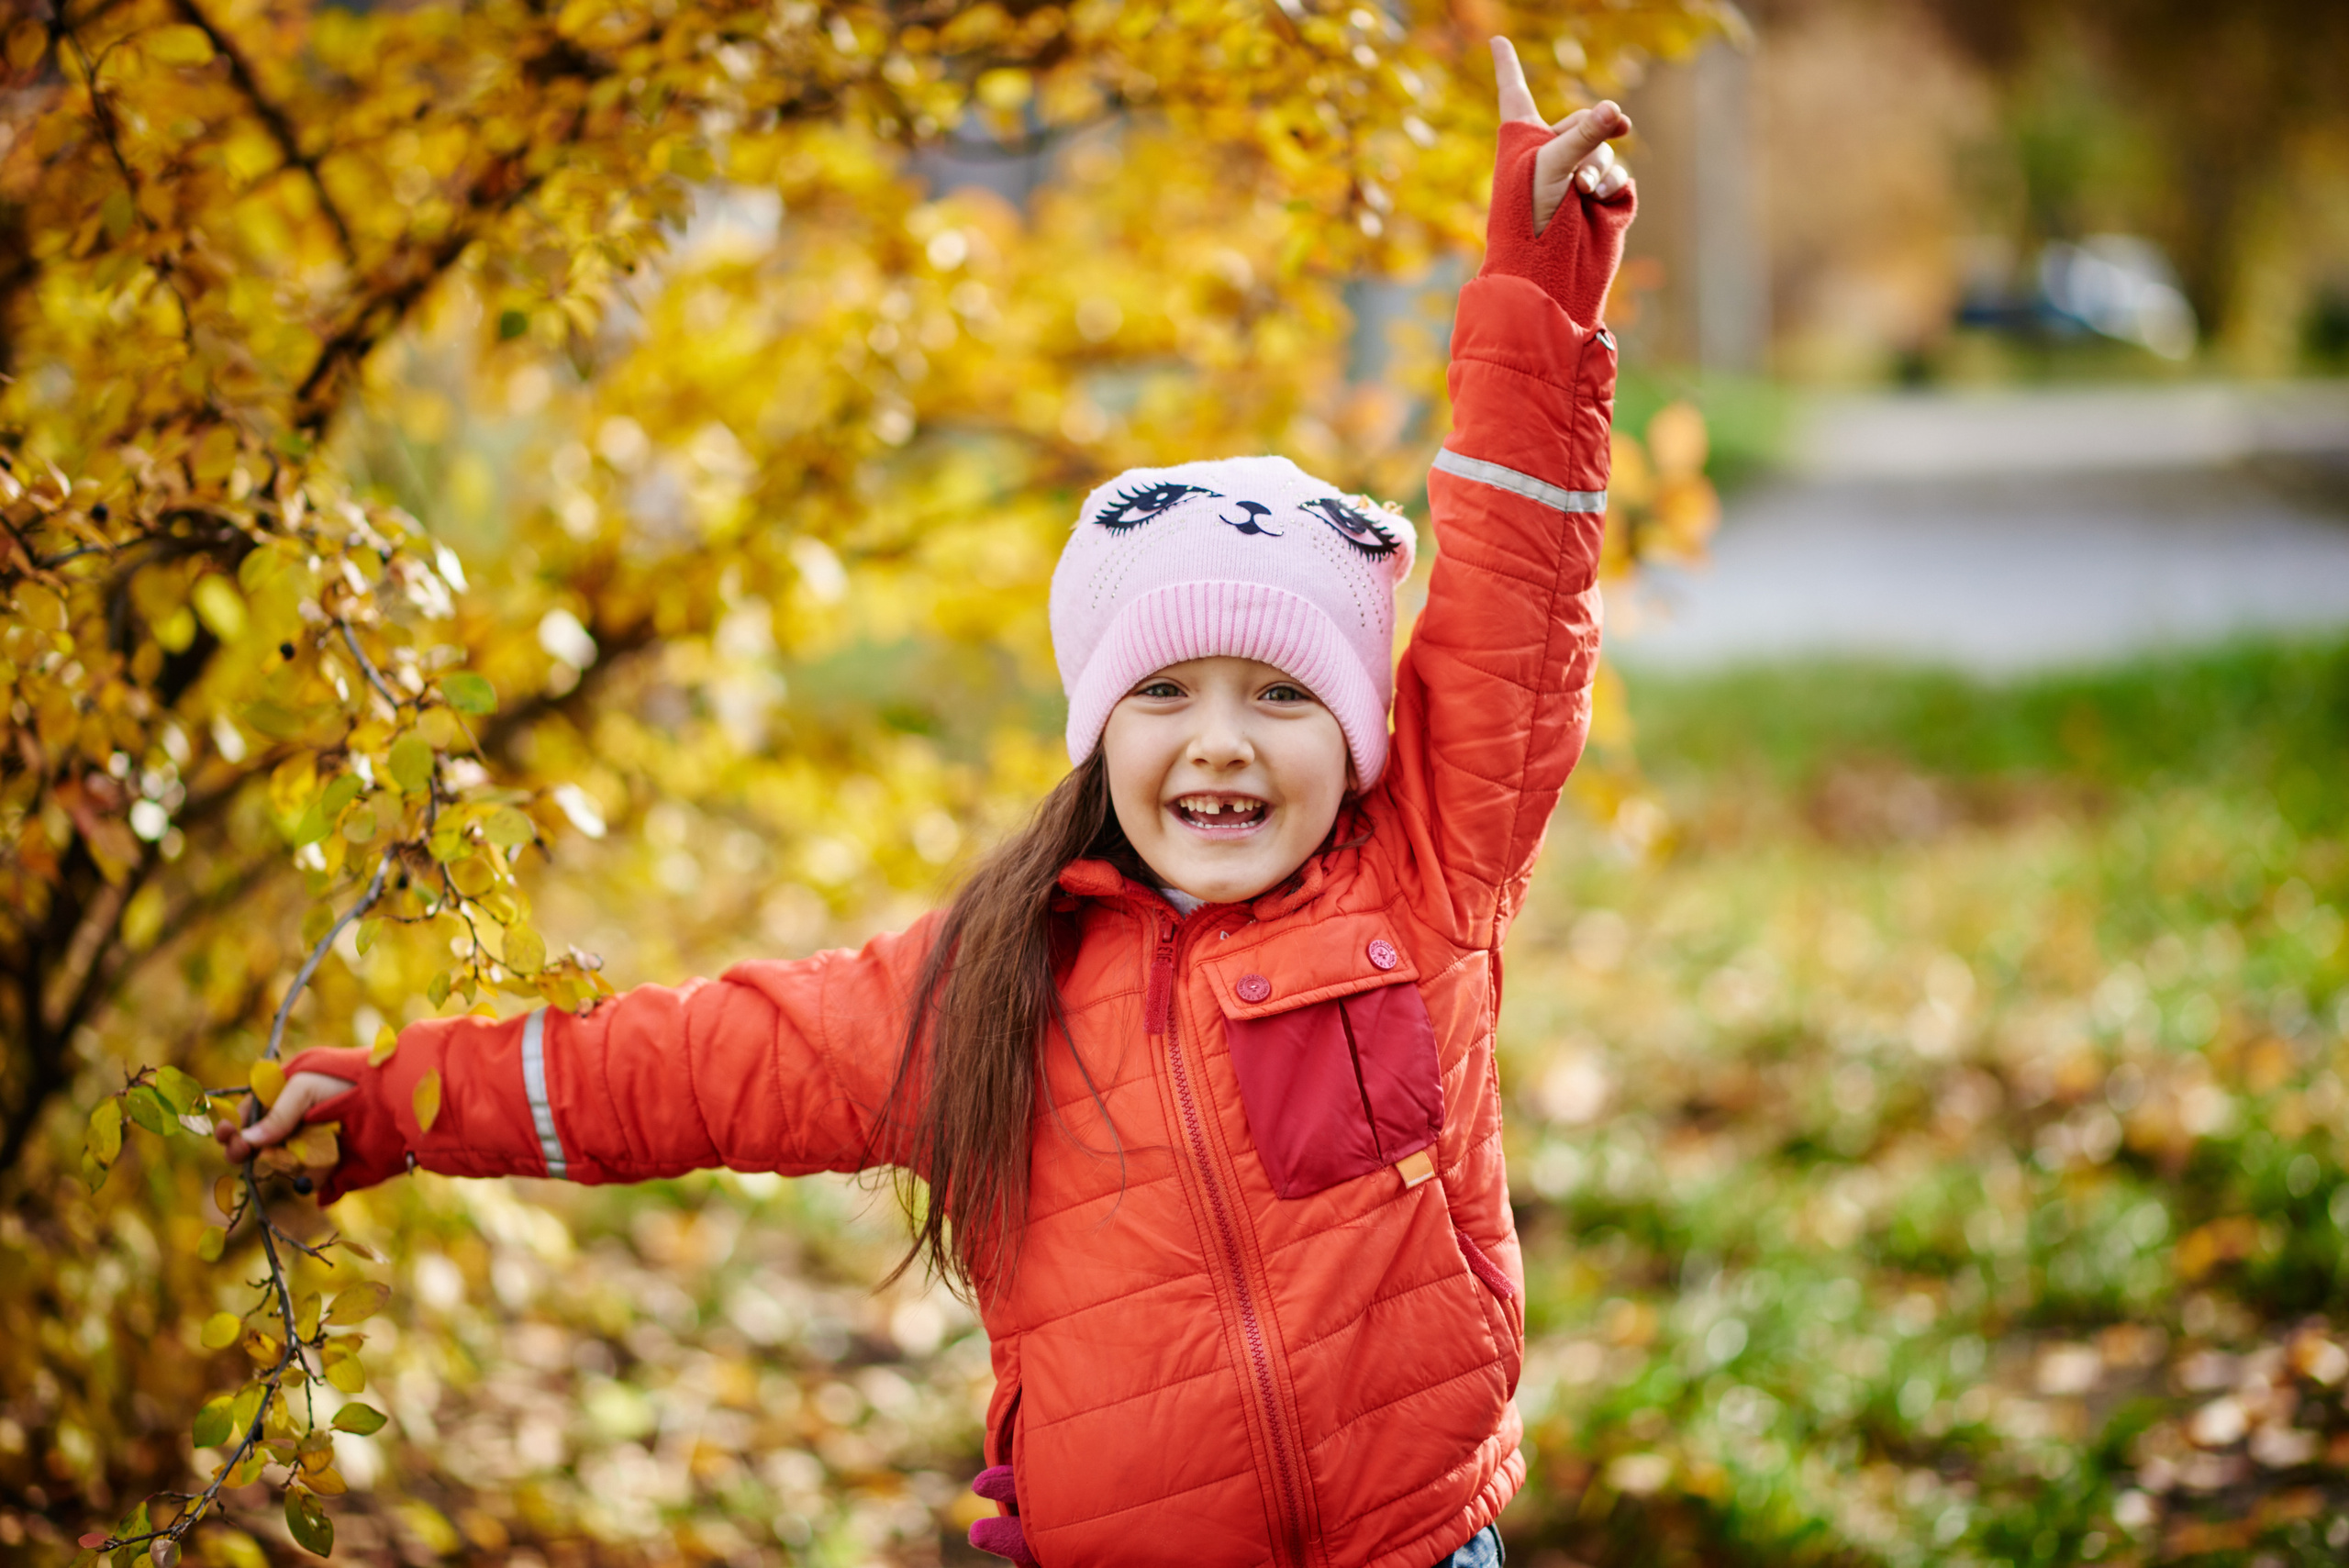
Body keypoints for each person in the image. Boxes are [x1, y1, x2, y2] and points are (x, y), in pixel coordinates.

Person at [219, 38, 1635, 1568]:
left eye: (1282, 696)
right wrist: (394, 1104)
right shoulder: (991, 982)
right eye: (1164, 692)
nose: (1221, 743)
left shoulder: (1422, 873)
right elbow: (682, 1068)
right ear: (1099, 732)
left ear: (1354, 735)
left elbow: (1513, 600)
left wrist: (1538, 290)